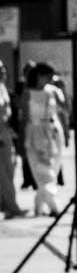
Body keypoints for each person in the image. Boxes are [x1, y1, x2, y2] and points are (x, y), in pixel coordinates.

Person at [22, 63, 68, 216]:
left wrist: (61, 89)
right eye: (48, 76)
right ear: (39, 76)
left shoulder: (53, 91)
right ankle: (54, 206)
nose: (50, 79)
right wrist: (22, 141)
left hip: (53, 133)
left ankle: (39, 205)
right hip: (35, 133)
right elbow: (24, 118)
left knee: (52, 170)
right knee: (42, 171)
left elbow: (65, 109)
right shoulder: (27, 93)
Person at [0, 60, 23, 219]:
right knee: (4, 172)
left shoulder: (3, 88)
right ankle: (11, 206)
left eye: (3, 70)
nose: (2, 73)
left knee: (10, 169)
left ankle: (6, 203)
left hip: (6, 132)